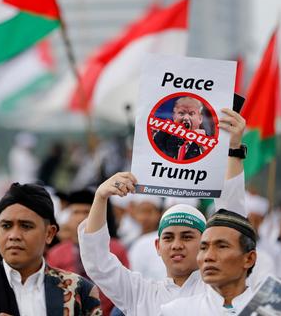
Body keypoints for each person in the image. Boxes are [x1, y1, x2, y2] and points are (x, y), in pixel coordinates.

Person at [78, 108, 253, 316]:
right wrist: (100, 198)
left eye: (187, 237)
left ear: (205, 245)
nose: (177, 245)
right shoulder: (140, 294)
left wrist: (233, 149)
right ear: (158, 246)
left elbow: (231, 221)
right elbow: (97, 263)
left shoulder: (218, 289)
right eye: (168, 238)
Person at [0, 183, 101, 315]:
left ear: (49, 233)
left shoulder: (79, 291)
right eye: (6, 226)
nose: (14, 235)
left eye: (26, 226)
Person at [46, 189, 129, 314]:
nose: (80, 217)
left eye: (86, 212)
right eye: (75, 212)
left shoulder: (117, 249)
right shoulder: (56, 253)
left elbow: (126, 289)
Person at [160, 209, 257, 315]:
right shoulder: (175, 311)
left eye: (222, 246)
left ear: (249, 259)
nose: (208, 257)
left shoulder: (269, 310)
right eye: (203, 248)